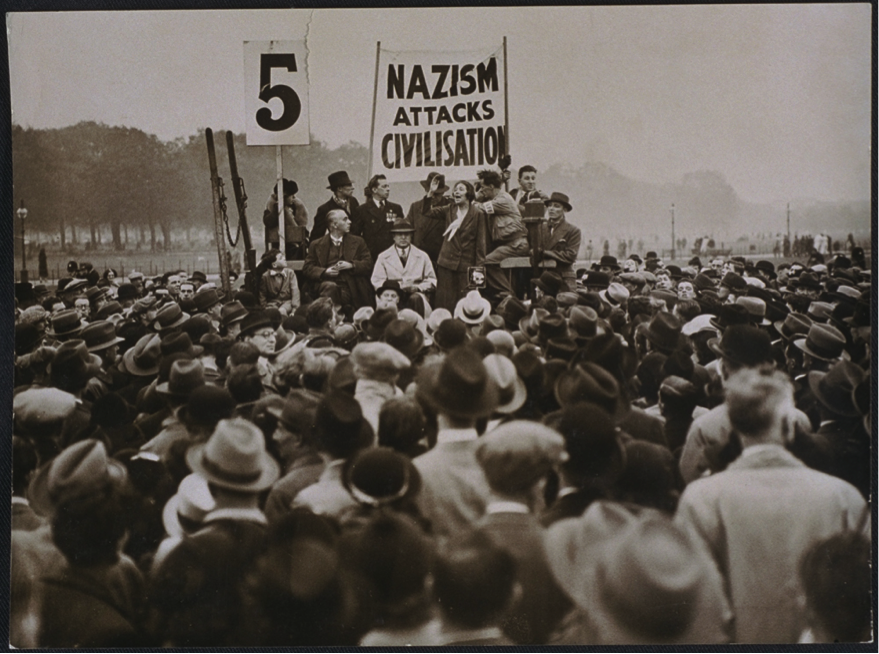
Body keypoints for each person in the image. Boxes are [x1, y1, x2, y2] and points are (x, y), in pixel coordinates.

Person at [675, 369, 869, 643]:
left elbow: (693, 602)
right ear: (790, 425)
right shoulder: (842, 497)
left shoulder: (701, 499)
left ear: (735, 425)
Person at [420, 178, 488, 311]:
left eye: (461, 189)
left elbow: (481, 245)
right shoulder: (449, 209)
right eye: (455, 190)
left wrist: (478, 276)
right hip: (446, 264)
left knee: (466, 303)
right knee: (445, 302)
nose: (457, 192)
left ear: (469, 194)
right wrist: (431, 193)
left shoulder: (478, 214)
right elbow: (427, 212)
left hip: (466, 266)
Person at [303, 209, 375, 314]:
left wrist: (352, 265)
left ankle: (336, 315)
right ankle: (332, 316)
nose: (349, 222)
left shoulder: (358, 241)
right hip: (325, 284)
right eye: (345, 219)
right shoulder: (316, 244)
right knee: (330, 287)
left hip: (352, 285)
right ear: (335, 224)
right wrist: (325, 271)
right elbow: (307, 268)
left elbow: (369, 264)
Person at [475, 169, 529, 298]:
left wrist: (475, 197)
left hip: (516, 244)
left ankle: (507, 292)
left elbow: (477, 208)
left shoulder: (502, 200)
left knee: (486, 262)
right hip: (510, 244)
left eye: (483, 187)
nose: (482, 190)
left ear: (491, 186)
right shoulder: (499, 198)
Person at [370, 219, 436, 305]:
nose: (403, 237)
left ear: (411, 236)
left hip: (416, 293)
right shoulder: (383, 257)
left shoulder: (422, 256)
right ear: (393, 236)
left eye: (407, 234)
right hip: (392, 293)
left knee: (415, 299)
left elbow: (432, 280)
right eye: (399, 234)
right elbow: (377, 280)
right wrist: (395, 289)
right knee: (390, 300)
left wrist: (417, 288)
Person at [351, 174, 405, 264]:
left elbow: (402, 231)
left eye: (388, 186)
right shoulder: (362, 210)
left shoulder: (396, 208)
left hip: (392, 255)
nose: (388, 189)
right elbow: (355, 236)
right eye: (384, 186)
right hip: (371, 257)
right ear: (374, 189)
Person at [406, 171, 452, 269]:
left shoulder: (449, 207)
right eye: (432, 193)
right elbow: (408, 230)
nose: (433, 197)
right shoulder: (415, 207)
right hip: (418, 259)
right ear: (426, 190)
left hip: (440, 260)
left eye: (437, 194)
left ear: (443, 192)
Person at [539, 192, 581, 292]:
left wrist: (545, 253)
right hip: (544, 277)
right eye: (549, 206)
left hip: (564, 277)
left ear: (565, 210)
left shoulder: (573, 231)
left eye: (556, 206)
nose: (551, 209)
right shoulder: (540, 228)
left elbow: (570, 256)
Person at [263, 178, 309, 260]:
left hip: (295, 247)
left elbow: (302, 228)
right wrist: (278, 209)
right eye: (291, 195)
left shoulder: (296, 206)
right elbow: (268, 222)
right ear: (284, 196)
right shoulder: (271, 208)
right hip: (278, 247)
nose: (294, 197)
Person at [310, 170, 360, 242]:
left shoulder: (353, 202)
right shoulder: (325, 209)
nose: (352, 188)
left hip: (354, 247)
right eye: (349, 185)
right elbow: (316, 236)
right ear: (339, 189)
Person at [257, 249, 300, 315]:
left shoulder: (290, 273)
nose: (284, 258)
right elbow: (262, 294)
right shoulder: (265, 277)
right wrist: (264, 308)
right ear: (274, 265)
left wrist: (295, 309)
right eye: (281, 258)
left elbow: (295, 291)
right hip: (272, 304)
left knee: (282, 311)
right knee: (272, 313)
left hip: (287, 303)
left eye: (283, 256)